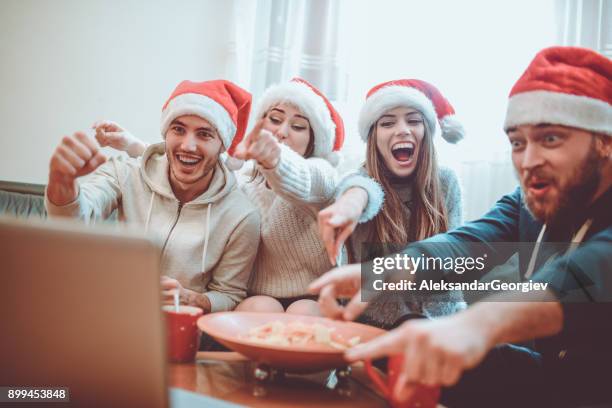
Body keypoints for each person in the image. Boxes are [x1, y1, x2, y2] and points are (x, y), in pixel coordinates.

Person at [310, 46, 612, 407]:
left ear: (604, 141)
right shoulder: (530, 201)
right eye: (518, 143)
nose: (529, 161)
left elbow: (586, 273)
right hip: (556, 374)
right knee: (396, 353)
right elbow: (463, 247)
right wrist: (379, 273)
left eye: (550, 139)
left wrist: (475, 324)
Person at [94, 78, 382, 316]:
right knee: (258, 310)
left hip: (312, 297)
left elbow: (302, 179)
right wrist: (133, 145)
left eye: (297, 126)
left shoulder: (321, 175)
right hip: (257, 296)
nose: (281, 132)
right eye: (275, 120)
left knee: (303, 315)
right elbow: (195, 156)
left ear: (314, 139)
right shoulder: (241, 178)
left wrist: (275, 160)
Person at [45, 80, 261, 313]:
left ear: (222, 145)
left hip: (178, 331)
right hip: (111, 313)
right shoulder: (125, 172)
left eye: (204, 134)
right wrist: (62, 181)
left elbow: (229, 295)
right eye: (178, 129)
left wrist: (190, 298)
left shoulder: (242, 215)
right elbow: (73, 220)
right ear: (166, 133)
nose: (188, 146)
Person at [318, 79, 466, 328]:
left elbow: (454, 260)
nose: (402, 130)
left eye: (414, 121)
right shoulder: (359, 181)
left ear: (427, 133)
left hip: (438, 323)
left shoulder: (446, 182)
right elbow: (361, 190)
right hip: (373, 324)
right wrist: (351, 204)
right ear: (374, 138)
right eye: (387, 123)